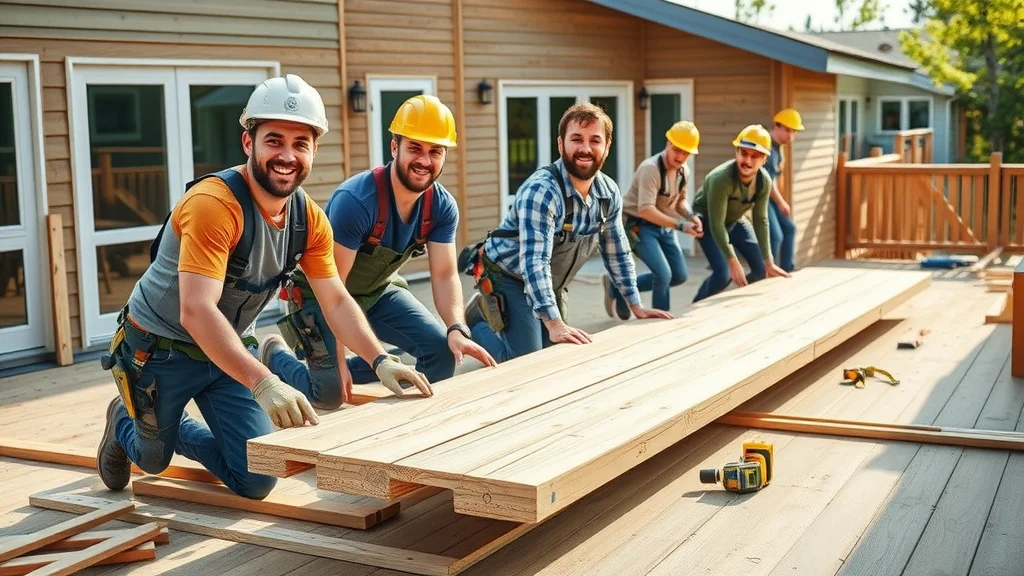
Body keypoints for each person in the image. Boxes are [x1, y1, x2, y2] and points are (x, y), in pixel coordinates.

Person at [95, 74, 430, 500]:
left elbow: (335, 299)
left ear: (313, 151)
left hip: (229, 348)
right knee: (152, 458)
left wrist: (380, 359)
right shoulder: (215, 206)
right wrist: (263, 382)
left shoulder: (308, 220)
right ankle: (125, 422)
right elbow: (196, 310)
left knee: (255, 480)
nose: (287, 155)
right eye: (274, 141)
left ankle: (168, 425)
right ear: (248, 143)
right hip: (161, 351)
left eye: (299, 143)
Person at [260, 95, 496, 405]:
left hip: (378, 291)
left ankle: (398, 407)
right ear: (395, 147)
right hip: (320, 295)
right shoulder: (356, 202)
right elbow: (334, 292)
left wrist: (456, 327)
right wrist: (340, 361)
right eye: (415, 148)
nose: (424, 160)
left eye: (435, 151)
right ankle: (276, 355)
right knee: (330, 392)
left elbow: (443, 274)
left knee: (441, 353)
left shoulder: (441, 206)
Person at [462, 103, 674, 363]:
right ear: (561, 144)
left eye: (595, 140)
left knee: (557, 354)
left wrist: (635, 305)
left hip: (552, 280)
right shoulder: (542, 191)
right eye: (576, 139)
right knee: (523, 361)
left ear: (607, 146)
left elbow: (617, 251)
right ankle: (475, 320)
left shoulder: (607, 194)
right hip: (509, 274)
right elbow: (534, 263)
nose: (585, 148)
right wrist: (554, 322)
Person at [604, 120, 703, 319]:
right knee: (663, 274)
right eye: (677, 150)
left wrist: (691, 217)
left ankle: (617, 289)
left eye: (686, 153)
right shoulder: (650, 169)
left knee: (679, 275)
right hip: (639, 226)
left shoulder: (684, 171)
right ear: (667, 142)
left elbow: (680, 202)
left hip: (665, 227)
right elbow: (646, 210)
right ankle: (660, 322)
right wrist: (680, 225)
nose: (681, 156)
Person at [691, 124, 791, 303]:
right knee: (723, 273)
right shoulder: (721, 179)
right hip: (707, 222)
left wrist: (769, 261)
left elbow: (761, 219)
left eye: (755, 156)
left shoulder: (764, 181)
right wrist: (732, 260)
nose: (748, 161)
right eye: (743, 154)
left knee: (761, 269)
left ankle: (735, 305)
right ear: (736, 152)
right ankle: (696, 305)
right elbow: (716, 223)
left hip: (736, 220)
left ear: (764, 160)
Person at [765, 108, 804, 273]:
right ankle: (769, 272)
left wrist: (779, 201)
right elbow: (768, 182)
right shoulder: (768, 148)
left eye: (794, 132)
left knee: (789, 228)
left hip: (769, 198)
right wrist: (781, 202)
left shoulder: (779, 147)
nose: (790, 136)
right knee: (775, 236)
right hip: (758, 197)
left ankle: (787, 269)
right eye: (787, 130)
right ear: (777, 127)